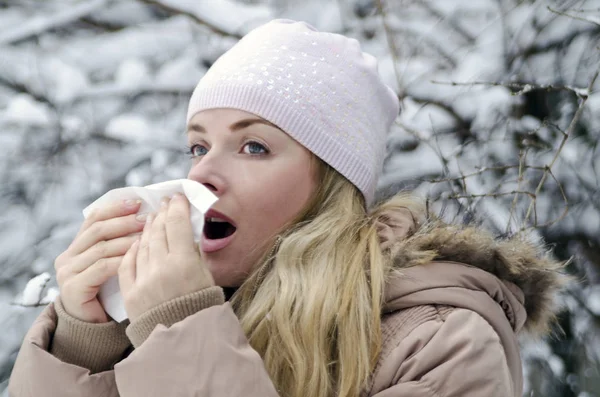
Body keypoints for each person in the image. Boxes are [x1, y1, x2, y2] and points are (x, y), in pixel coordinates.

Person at [9, 19, 564, 397]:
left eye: (254, 146)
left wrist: (180, 332)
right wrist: (85, 341)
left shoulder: (442, 342)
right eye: (198, 146)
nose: (200, 173)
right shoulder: (181, 312)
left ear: (330, 185)